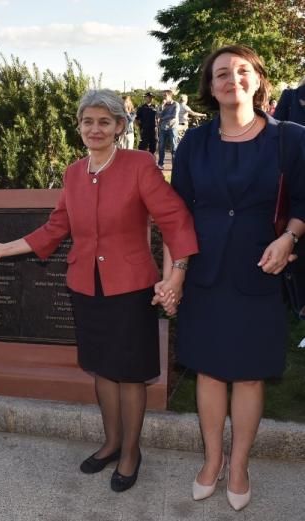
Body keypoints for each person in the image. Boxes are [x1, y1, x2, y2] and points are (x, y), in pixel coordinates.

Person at [0, 89, 197, 493]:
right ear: (78, 126)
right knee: (101, 369)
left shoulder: (139, 165)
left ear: (119, 126)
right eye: (87, 121)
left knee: (129, 375)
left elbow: (175, 218)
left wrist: (176, 273)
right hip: (85, 287)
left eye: (104, 122)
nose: (95, 129)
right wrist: (2, 249)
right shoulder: (74, 172)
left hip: (131, 289)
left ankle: (131, 451)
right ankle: (111, 442)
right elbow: (56, 227)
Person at [169, 45, 305, 512]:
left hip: (261, 271)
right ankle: (211, 460)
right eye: (221, 73)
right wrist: (177, 272)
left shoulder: (291, 138)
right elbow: (177, 214)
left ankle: (240, 464)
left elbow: (304, 202)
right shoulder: (193, 143)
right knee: (208, 371)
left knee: (248, 376)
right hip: (205, 270)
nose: (232, 79)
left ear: (258, 79)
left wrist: (289, 237)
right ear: (210, 87)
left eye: (242, 71)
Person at [157, 90, 180, 168]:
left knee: (174, 147)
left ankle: (175, 165)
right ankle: (160, 164)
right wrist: (162, 106)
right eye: (163, 96)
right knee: (161, 146)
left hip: (172, 127)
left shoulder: (176, 104)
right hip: (163, 128)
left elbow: (173, 115)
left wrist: (162, 117)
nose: (164, 97)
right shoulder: (163, 105)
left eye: (165, 96)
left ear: (170, 96)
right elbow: (158, 115)